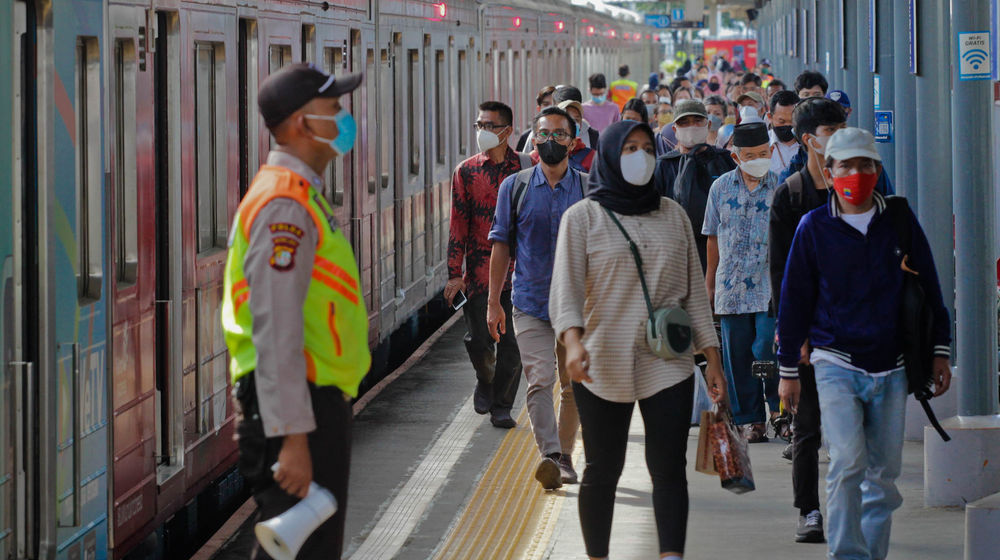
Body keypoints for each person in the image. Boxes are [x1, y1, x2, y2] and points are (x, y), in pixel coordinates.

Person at [550, 120, 727, 560]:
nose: (641, 156)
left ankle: (671, 555)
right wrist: (572, 344)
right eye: (629, 147)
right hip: (601, 361)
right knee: (602, 469)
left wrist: (713, 358)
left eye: (648, 147)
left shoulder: (672, 215)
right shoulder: (582, 218)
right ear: (610, 155)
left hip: (667, 359)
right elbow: (566, 292)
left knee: (668, 468)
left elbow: (693, 294)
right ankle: (597, 556)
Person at [777, 127, 952, 560]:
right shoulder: (813, 227)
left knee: (884, 476)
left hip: (891, 366)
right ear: (829, 170)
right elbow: (794, 299)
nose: (856, 172)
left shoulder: (898, 221)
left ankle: (873, 553)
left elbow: (929, 285)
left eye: (866, 164)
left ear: (877, 170)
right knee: (847, 462)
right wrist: (786, 371)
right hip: (835, 361)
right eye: (846, 165)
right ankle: (848, 555)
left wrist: (940, 350)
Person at [221, 63, 370, 559]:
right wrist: (292, 438)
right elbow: (275, 327)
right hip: (298, 407)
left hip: (310, 401)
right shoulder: (284, 204)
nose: (344, 120)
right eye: (335, 110)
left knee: (301, 551)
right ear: (303, 124)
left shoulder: (299, 195)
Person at [487, 106, 585, 490]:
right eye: (543, 134)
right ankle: (552, 457)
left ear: (573, 143)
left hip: (576, 307)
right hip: (529, 302)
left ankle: (564, 453)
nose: (551, 141)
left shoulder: (589, 188)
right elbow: (500, 246)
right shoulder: (515, 187)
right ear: (532, 141)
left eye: (560, 134)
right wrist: (493, 302)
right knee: (539, 380)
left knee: (572, 384)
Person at [446, 101, 528, 430]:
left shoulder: (526, 168)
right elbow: (458, 225)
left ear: (507, 132)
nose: (482, 132)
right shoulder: (465, 172)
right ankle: (485, 378)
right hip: (478, 272)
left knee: (512, 344)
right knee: (479, 339)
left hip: (520, 272)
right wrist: (454, 273)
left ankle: (502, 406)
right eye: (479, 125)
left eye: (489, 126)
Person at [703, 121, 780, 443]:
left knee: (765, 348)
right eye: (750, 155)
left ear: (771, 152)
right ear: (736, 157)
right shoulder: (720, 188)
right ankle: (751, 418)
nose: (758, 159)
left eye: (763, 154)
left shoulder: (781, 187)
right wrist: (709, 284)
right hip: (731, 288)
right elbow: (712, 237)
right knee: (738, 357)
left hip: (768, 288)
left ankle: (778, 408)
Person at [654, 99, 736, 271]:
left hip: (724, 255)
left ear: (708, 124)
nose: (691, 126)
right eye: (684, 122)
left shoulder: (724, 160)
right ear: (675, 129)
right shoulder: (664, 166)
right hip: (680, 258)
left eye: (697, 121)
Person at [526, 100, 596, 173]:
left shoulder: (591, 157)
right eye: (544, 134)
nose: (550, 139)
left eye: (576, 119)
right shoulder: (532, 159)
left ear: (573, 143)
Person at [768, 90, 800, 174]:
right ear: (770, 117)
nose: (788, 125)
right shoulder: (761, 144)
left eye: (793, 121)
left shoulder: (809, 144)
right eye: (781, 122)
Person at [517, 85, 556, 151]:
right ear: (539, 108)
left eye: (554, 104)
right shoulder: (526, 137)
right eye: (546, 104)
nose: (551, 108)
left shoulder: (566, 133)